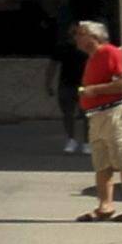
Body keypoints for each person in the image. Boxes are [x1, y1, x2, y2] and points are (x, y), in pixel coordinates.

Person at [73, 20, 122, 219]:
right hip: (96, 115)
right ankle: (105, 206)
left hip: (113, 113)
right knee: (101, 163)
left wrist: (94, 90)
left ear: (94, 37)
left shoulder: (110, 53)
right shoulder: (92, 58)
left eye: (81, 34)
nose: (76, 39)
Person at [47, 25, 91, 158]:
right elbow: (52, 66)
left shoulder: (88, 48)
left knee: (87, 115)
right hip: (66, 85)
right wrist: (48, 83)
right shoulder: (63, 47)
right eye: (76, 34)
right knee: (68, 113)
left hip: (85, 84)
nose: (78, 37)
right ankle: (71, 139)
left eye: (82, 34)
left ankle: (87, 143)